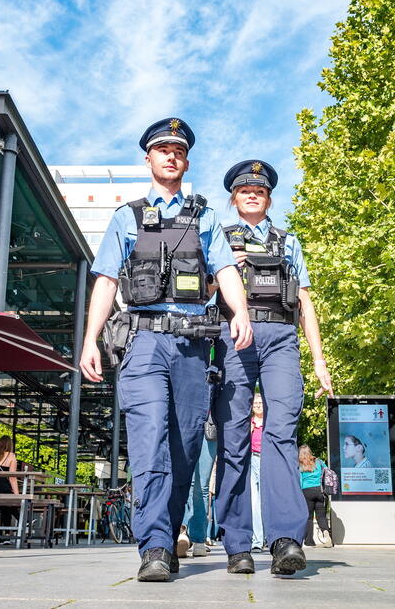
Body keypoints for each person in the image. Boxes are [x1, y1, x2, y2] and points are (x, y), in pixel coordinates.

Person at [79, 117, 252, 583]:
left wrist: (240, 311)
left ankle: (168, 532)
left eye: (178, 150)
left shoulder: (206, 216)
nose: (170, 155)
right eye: (162, 149)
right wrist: (89, 339)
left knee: (185, 445)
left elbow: (227, 271)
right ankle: (154, 545)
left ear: (186, 161)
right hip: (143, 342)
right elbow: (106, 280)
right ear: (149, 159)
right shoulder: (126, 217)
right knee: (149, 436)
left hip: (194, 344)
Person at [212, 159, 333, 577]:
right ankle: (237, 544)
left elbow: (306, 302)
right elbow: (203, 291)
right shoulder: (219, 237)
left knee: (282, 432)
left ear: (268, 198)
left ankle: (285, 540)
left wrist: (318, 359)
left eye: (260, 190)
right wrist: (227, 270)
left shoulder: (289, 241)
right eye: (245, 190)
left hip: (281, 339)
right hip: (234, 338)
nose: (252, 194)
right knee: (233, 439)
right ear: (234, 197)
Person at [177, 409, 218, 559]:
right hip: (187, 423)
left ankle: (198, 538)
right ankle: (184, 530)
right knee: (189, 482)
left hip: (209, 426)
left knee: (202, 486)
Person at [298, 445, 332, 548]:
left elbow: (299, 480)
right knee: (321, 516)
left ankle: (309, 541)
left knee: (308, 517)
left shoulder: (299, 464)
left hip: (306, 491)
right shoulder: (318, 461)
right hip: (319, 491)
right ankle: (327, 537)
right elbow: (327, 471)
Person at [250, 393, 265, 552]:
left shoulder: (269, 422)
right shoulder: (250, 423)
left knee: (265, 501)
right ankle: (257, 540)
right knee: (254, 502)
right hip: (252, 460)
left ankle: (268, 537)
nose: (258, 405)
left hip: (266, 461)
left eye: (260, 402)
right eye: (255, 403)